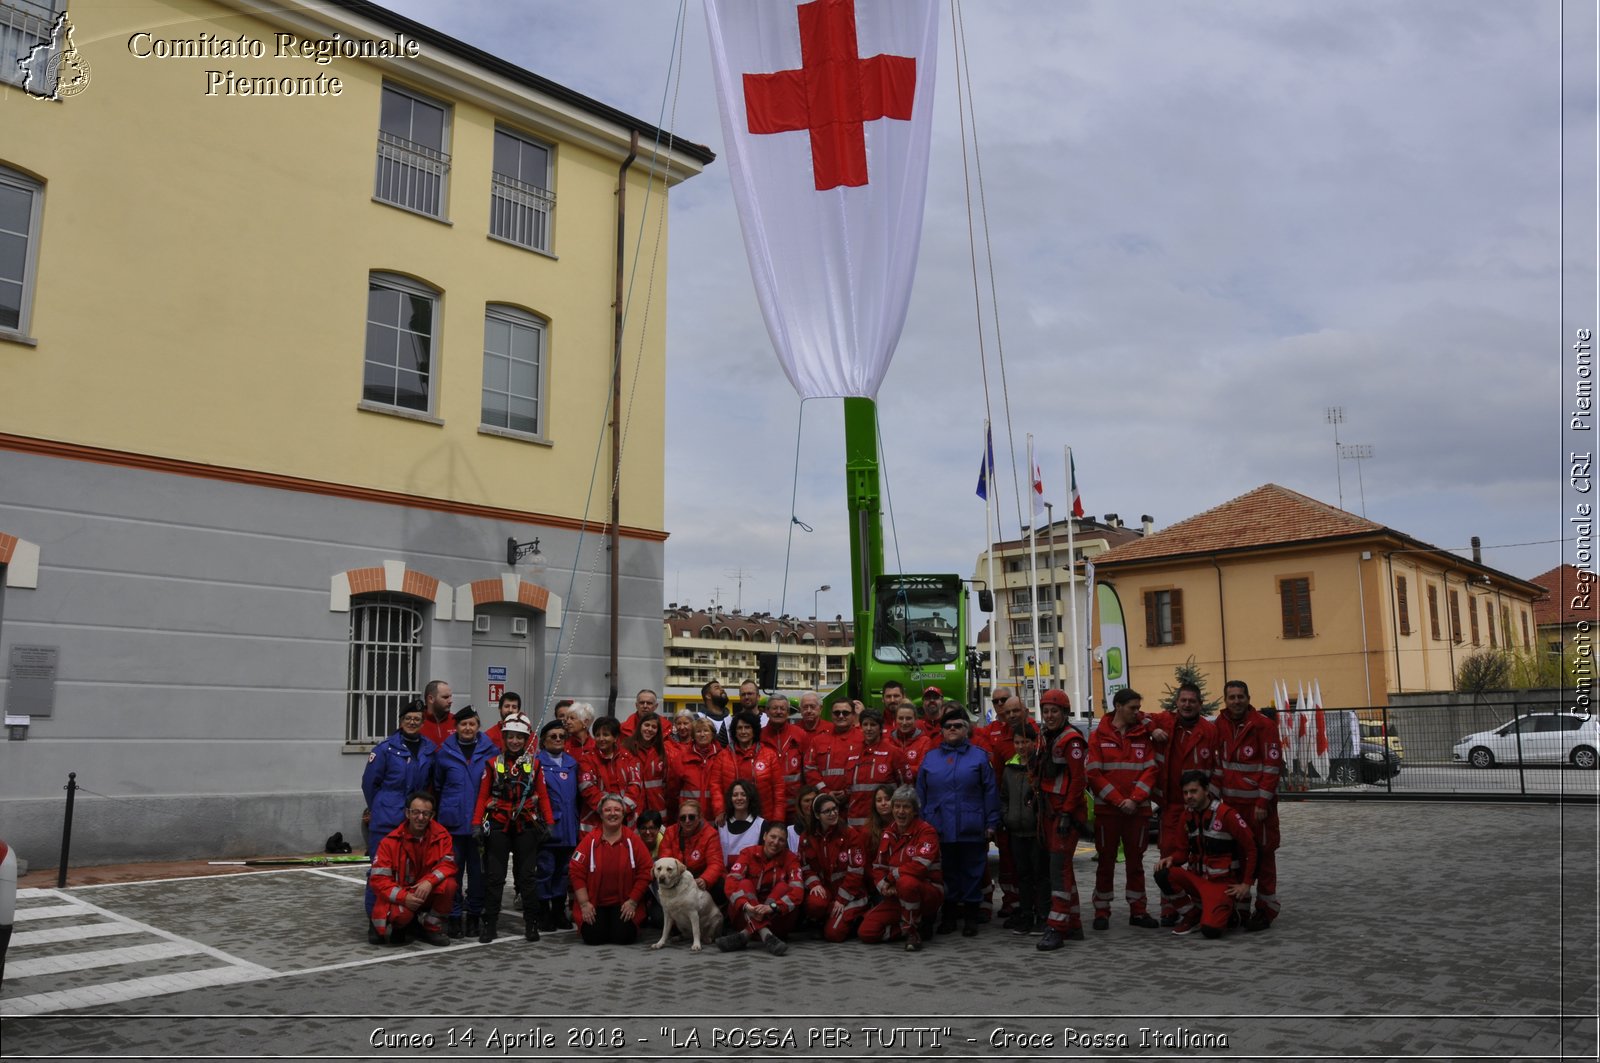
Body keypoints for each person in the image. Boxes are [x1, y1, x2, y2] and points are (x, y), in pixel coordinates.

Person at [915, 704, 1000, 936]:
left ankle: (971, 917)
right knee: (946, 872)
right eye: (948, 726)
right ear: (941, 731)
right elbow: (920, 794)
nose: (952, 729)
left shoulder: (980, 758)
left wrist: (991, 823)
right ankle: (949, 916)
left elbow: (990, 792)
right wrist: (921, 824)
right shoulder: (930, 759)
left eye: (958, 726)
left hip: (971, 826)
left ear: (966, 730)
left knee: (973, 871)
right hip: (938, 826)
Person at [472, 713, 553, 943]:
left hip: (526, 824)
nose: (515, 741)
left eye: (520, 737)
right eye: (511, 737)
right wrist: (476, 824)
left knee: (527, 877)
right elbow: (482, 798)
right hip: (498, 823)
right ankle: (490, 924)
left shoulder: (534, 765)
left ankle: (531, 923)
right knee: (495, 877)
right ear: (504, 738)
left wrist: (551, 823)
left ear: (526, 740)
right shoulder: (493, 764)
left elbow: (544, 797)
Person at [1145, 681, 1220, 924]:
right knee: (1167, 854)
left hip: (1200, 806)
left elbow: (1217, 768)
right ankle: (1169, 908)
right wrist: (1151, 729)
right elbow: (1133, 714)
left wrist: (1213, 803)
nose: (1187, 705)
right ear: (1177, 703)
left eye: (1192, 701)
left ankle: (1200, 904)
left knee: (1200, 855)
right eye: (1183, 700)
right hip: (1171, 804)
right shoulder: (1165, 722)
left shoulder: (1209, 731)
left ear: (1200, 704)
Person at [1086, 687, 1160, 931]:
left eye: (1138, 708)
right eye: (1133, 708)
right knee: (1105, 862)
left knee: (1136, 862)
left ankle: (1138, 911)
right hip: (1110, 812)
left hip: (1136, 812)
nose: (1137, 713)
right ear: (1118, 706)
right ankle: (1101, 910)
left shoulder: (1142, 736)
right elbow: (1094, 775)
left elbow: (1150, 770)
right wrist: (1120, 801)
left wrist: (1135, 799)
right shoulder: (1098, 736)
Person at [1153, 770, 1258, 939]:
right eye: (1185, 793)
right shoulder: (1186, 816)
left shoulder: (1226, 814)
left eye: (1194, 791)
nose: (1189, 796)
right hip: (1198, 880)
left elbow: (1252, 849)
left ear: (1207, 790)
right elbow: (1182, 851)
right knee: (1162, 873)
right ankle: (1192, 915)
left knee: (1211, 931)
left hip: (1222, 885)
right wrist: (1171, 859)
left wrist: (1246, 884)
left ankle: (1230, 912)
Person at [1214, 679, 1282, 930]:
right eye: (1231, 697)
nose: (1236, 701)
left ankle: (1266, 909)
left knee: (1264, 854)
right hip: (1231, 805)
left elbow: (1272, 766)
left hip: (1257, 806)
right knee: (1236, 856)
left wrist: (1263, 801)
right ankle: (1240, 909)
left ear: (1248, 697)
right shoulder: (1220, 724)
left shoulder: (1263, 725)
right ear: (1225, 700)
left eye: (1240, 696)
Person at [361, 699, 436, 917]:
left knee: (409, 872)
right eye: (408, 719)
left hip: (415, 821)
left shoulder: (428, 749)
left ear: (422, 723)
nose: (412, 722)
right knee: (380, 871)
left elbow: (429, 784)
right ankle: (375, 920)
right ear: (401, 721)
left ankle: (403, 918)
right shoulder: (385, 749)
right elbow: (369, 783)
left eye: (417, 719)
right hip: (387, 819)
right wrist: (381, 806)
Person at [430, 705, 496, 938]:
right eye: (463, 724)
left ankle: (475, 916)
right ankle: (455, 916)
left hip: (481, 824)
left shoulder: (491, 751)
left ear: (478, 726)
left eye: (472, 724)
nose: (467, 728)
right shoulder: (444, 753)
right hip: (453, 824)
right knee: (453, 874)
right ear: (456, 727)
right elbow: (438, 786)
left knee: (478, 875)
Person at [858, 786, 944, 951]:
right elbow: (878, 867)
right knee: (866, 932)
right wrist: (884, 887)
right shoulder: (888, 833)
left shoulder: (926, 831)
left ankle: (912, 932)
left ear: (914, 810)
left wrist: (891, 879)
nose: (901, 811)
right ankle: (915, 926)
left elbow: (919, 866)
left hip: (926, 893)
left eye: (906, 807)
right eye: (897, 806)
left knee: (907, 882)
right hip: (897, 895)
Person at [367, 790, 457, 946]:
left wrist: (429, 882)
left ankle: (431, 927)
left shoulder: (442, 836)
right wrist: (404, 897)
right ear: (407, 813)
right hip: (402, 895)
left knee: (449, 885)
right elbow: (378, 880)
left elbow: (448, 864)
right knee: (400, 917)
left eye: (425, 813)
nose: (420, 817)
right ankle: (399, 925)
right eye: (416, 812)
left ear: (432, 816)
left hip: (425, 890)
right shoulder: (390, 842)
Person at [1035, 687, 1087, 949]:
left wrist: (1067, 813)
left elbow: (1078, 780)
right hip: (1051, 810)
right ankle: (1073, 923)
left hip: (1065, 813)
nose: (1049, 715)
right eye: (1046, 711)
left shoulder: (1072, 740)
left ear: (1065, 713)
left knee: (1058, 869)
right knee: (1062, 868)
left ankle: (1057, 926)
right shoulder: (1048, 736)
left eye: (1054, 711)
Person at [569, 794, 652, 946]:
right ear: (600, 814)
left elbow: (646, 871)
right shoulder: (590, 840)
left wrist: (633, 901)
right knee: (593, 938)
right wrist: (584, 904)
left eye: (617, 810)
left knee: (624, 937)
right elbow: (575, 871)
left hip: (624, 902)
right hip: (595, 903)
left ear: (623, 813)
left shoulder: (633, 840)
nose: (612, 814)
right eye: (607, 810)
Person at [717, 821, 804, 955]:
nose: (776, 842)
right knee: (744, 883)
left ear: (785, 843)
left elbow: (798, 892)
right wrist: (747, 906)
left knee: (783, 887)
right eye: (773, 837)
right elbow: (731, 882)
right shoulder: (748, 853)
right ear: (764, 836)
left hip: (777, 920)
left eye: (781, 840)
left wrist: (772, 907)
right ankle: (766, 935)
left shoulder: (791, 859)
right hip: (745, 914)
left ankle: (745, 935)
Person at [798, 792, 869, 942]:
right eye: (827, 811)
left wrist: (842, 899)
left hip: (851, 894)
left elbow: (856, 872)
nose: (833, 813)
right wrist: (814, 884)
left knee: (833, 935)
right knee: (814, 904)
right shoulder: (807, 837)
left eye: (835, 808)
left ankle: (857, 918)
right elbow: (804, 866)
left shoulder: (850, 835)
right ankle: (825, 918)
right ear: (817, 815)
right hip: (827, 890)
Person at [999, 721, 1047, 935]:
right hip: (1015, 830)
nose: (1020, 746)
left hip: (1035, 830)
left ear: (1034, 742)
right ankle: (1026, 914)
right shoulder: (1010, 768)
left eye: (1025, 742)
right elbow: (1004, 797)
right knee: (1023, 875)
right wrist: (1006, 816)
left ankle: (1043, 915)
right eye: (1017, 742)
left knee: (1040, 875)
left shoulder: (1040, 765)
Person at [535, 718, 581, 933]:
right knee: (545, 869)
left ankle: (557, 910)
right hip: (548, 828)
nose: (558, 740)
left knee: (564, 871)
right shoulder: (536, 762)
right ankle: (543, 911)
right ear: (544, 740)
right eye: (553, 736)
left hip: (569, 827)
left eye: (562, 736)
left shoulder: (572, 763)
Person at [577, 716, 643, 828]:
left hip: (625, 819)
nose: (601, 738)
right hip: (596, 821)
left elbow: (635, 784)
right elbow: (587, 788)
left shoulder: (627, 757)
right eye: (597, 735)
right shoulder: (587, 759)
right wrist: (609, 810)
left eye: (606, 735)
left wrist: (622, 809)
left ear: (615, 737)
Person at [845, 709, 904, 830]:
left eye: (873, 724)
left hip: (884, 823)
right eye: (865, 724)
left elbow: (905, 787)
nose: (868, 728)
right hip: (856, 823)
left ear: (881, 727)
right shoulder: (852, 754)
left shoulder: (893, 752)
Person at [659, 798, 726, 907]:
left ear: (700, 817)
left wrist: (705, 879)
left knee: (720, 885)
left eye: (691, 817)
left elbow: (716, 863)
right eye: (683, 818)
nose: (687, 821)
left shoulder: (710, 834)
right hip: (677, 876)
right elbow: (664, 859)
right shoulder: (671, 832)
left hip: (700, 876)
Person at [667, 716, 731, 822]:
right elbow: (673, 790)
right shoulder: (682, 758)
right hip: (689, 818)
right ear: (693, 735)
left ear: (713, 734)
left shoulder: (723, 757)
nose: (702, 734)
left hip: (716, 818)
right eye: (698, 731)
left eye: (706, 731)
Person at [728, 712, 786, 821]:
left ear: (754, 730)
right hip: (734, 817)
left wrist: (778, 818)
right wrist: (720, 811)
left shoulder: (769, 755)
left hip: (765, 816)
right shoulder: (723, 756)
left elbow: (778, 789)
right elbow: (715, 786)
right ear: (734, 732)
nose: (743, 731)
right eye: (739, 728)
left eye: (747, 727)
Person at [804, 699, 863, 797]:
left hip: (854, 799)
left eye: (845, 713)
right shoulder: (818, 740)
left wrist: (848, 791)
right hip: (824, 798)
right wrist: (824, 790)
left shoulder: (863, 739)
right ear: (831, 715)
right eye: (836, 713)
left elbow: (865, 770)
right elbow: (809, 769)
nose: (840, 716)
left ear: (853, 715)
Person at [760, 694, 805, 819]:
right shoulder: (758, 736)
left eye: (782, 709)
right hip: (767, 808)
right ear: (767, 712)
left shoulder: (800, 734)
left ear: (788, 712)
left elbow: (807, 770)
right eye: (774, 708)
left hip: (795, 809)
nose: (778, 712)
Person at [625, 710, 670, 821]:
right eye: (647, 725)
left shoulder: (662, 752)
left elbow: (667, 782)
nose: (649, 729)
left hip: (658, 806)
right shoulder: (626, 749)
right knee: (635, 837)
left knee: (661, 837)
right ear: (640, 726)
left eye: (654, 727)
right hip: (634, 806)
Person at [718, 779, 766, 861]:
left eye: (743, 795)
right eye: (735, 795)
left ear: (750, 797)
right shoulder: (721, 823)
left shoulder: (761, 824)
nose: (739, 798)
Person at [887, 703, 937, 783]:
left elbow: (922, 769)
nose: (904, 722)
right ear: (895, 720)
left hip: (916, 790)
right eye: (900, 718)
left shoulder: (925, 741)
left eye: (908, 718)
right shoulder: (888, 741)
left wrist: (899, 770)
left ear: (916, 719)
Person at [419, 680, 456, 747]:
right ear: (431, 699)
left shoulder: (457, 721)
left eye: (450, 697)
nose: (450, 701)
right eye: (445, 697)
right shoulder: (416, 723)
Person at [787, 783, 820, 852]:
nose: (811, 804)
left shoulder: (826, 828)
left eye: (814, 800)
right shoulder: (789, 832)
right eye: (807, 801)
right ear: (799, 804)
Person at [699, 679, 734, 746]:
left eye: (722, 687)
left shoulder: (732, 720)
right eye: (717, 688)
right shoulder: (697, 719)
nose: (722, 690)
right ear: (708, 696)